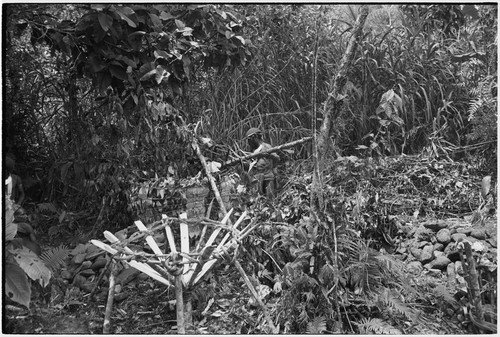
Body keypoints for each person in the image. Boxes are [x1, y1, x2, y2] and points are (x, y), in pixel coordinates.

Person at [244, 127, 280, 198]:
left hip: (268, 177)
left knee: (270, 199)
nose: (248, 142)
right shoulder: (252, 150)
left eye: (249, 140)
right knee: (258, 201)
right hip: (257, 179)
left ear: (255, 137)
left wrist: (268, 156)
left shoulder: (266, 147)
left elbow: (277, 158)